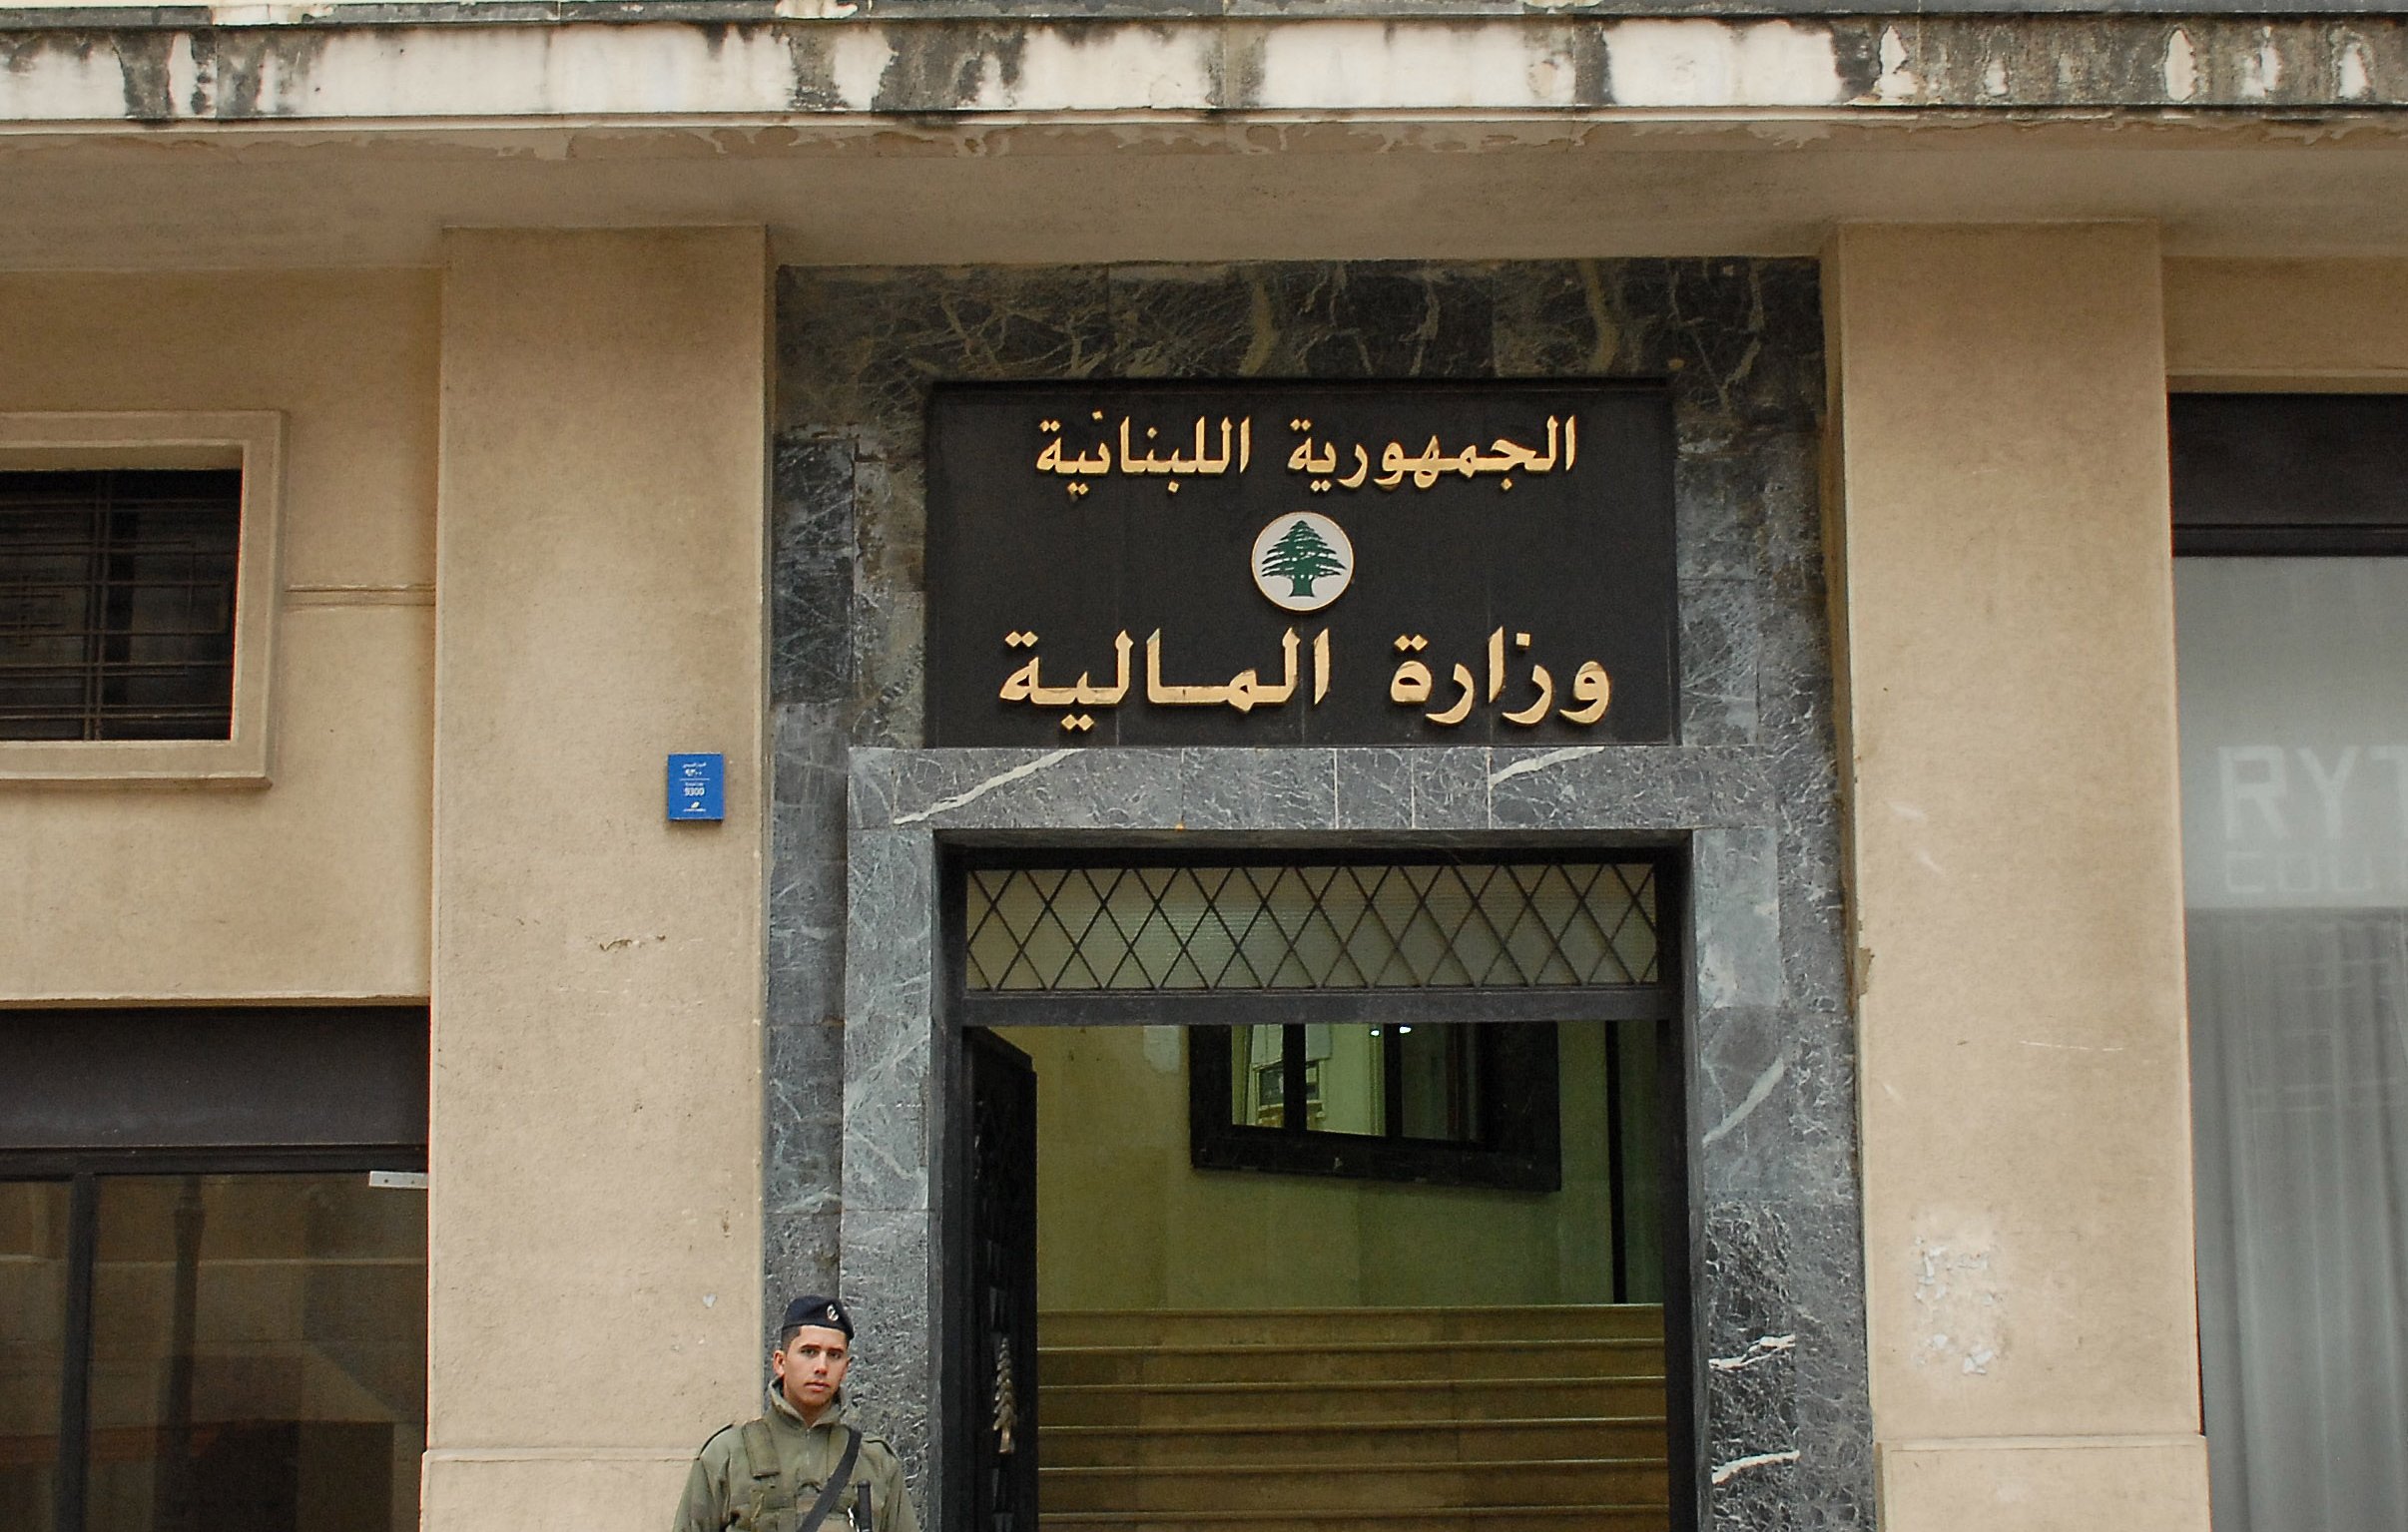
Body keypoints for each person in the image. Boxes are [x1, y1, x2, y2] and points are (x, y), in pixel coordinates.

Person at [674, 1296, 920, 1532]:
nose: (822, 1367)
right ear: (780, 1362)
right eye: (809, 1352)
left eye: (834, 1355)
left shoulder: (875, 1461)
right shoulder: (727, 1455)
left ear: (845, 1369)